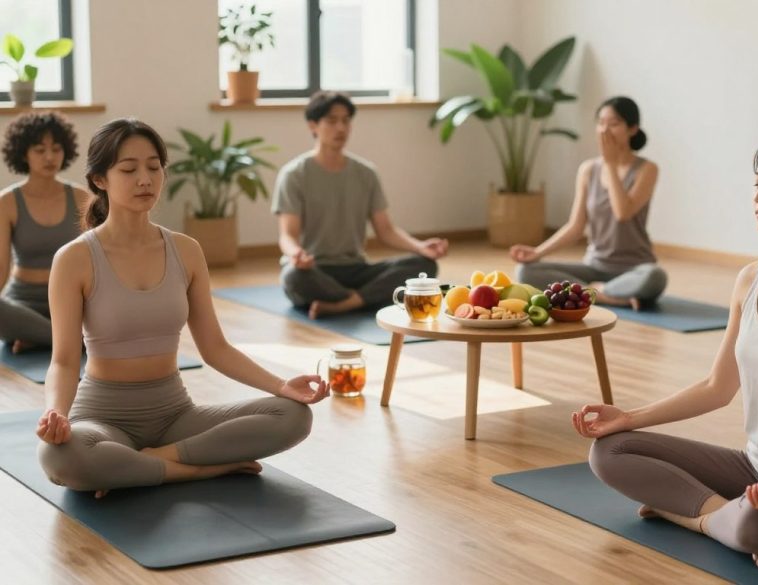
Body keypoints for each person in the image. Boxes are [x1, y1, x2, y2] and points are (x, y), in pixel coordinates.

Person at [572, 131, 758, 569]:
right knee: (609, 451)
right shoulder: (750, 278)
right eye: (757, 182)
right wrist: (628, 418)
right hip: (754, 469)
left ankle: (693, 517)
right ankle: (722, 516)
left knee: (755, 527)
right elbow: (718, 387)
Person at [36, 118, 328, 498]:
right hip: (101, 419)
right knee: (59, 457)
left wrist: (281, 385)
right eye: (129, 169)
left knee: (293, 416)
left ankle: (146, 463)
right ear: (99, 180)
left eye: (154, 167)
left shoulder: (186, 250)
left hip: (175, 415)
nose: (145, 179)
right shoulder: (74, 258)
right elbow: (63, 360)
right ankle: (197, 470)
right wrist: (56, 414)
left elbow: (215, 348)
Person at [273, 91, 448, 319]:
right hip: (314, 271)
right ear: (313, 125)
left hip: (356, 269)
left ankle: (344, 303)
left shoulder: (366, 174)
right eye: (332, 121)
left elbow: (386, 231)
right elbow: (287, 235)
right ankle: (364, 299)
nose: (341, 128)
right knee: (292, 277)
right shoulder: (294, 174)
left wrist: (420, 247)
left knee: (425, 266)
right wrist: (296, 254)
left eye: (346, 121)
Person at [510, 96, 667, 309]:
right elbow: (575, 227)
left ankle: (590, 293)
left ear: (632, 129)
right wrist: (538, 252)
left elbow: (623, 212)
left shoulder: (647, 169)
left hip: (634, 269)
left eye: (613, 124)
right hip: (594, 267)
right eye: (601, 123)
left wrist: (610, 163)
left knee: (655, 276)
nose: (604, 130)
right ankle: (606, 296)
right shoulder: (588, 169)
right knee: (525, 271)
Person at [0, 112, 91, 352]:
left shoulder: (81, 197)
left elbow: (96, 259)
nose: (50, 157)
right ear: (23, 154)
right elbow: (1, 269)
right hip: (22, 302)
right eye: (40, 150)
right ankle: (71, 339)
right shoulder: (6, 202)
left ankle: (38, 337)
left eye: (57, 149)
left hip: (71, 299)